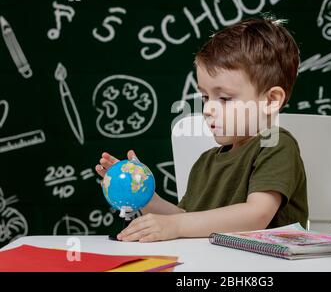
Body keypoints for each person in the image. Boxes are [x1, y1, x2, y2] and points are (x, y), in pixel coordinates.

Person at [95, 17, 308, 242]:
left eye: (224, 98)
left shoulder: (275, 145)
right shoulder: (205, 162)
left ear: (271, 100)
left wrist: (177, 225)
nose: (207, 109)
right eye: (205, 97)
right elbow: (188, 219)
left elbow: (256, 215)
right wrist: (145, 197)